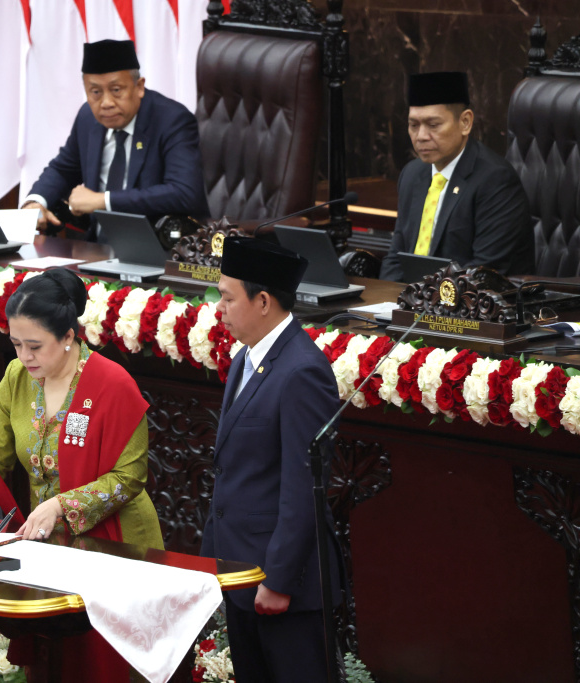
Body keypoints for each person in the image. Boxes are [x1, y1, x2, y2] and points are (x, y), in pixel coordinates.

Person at [0, 268, 162, 681]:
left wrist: (62, 505)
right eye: (16, 344)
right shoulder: (16, 378)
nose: (25, 357)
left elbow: (130, 476)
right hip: (50, 550)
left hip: (115, 548)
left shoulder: (112, 384)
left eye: (35, 346)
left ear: (68, 337)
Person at [201, 236, 342, 682]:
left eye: (226, 297)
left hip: (282, 585)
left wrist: (277, 580)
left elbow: (303, 489)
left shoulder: (302, 371)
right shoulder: (247, 357)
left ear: (263, 300)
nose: (218, 308)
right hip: (240, 574)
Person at [23, 39, 209, 240]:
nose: (106, 103)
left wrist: (103, 201)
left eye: (116, 90)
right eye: (95, 92)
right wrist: (35, 201)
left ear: (139, 86)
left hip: (156, 248)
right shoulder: (87, 118)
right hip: (95, 247)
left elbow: (184, 192)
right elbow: (63, 169)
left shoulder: (172, 120)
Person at [379, 71, 533, 282]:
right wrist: (388, 303)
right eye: (414, 125)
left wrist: (420, 302)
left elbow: (483, 270)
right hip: (414, 304)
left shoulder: (495, 180)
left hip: (472, 306)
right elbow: (395, 258)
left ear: (465, 122)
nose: (421, 136)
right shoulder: (412, 174)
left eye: (433, 125)